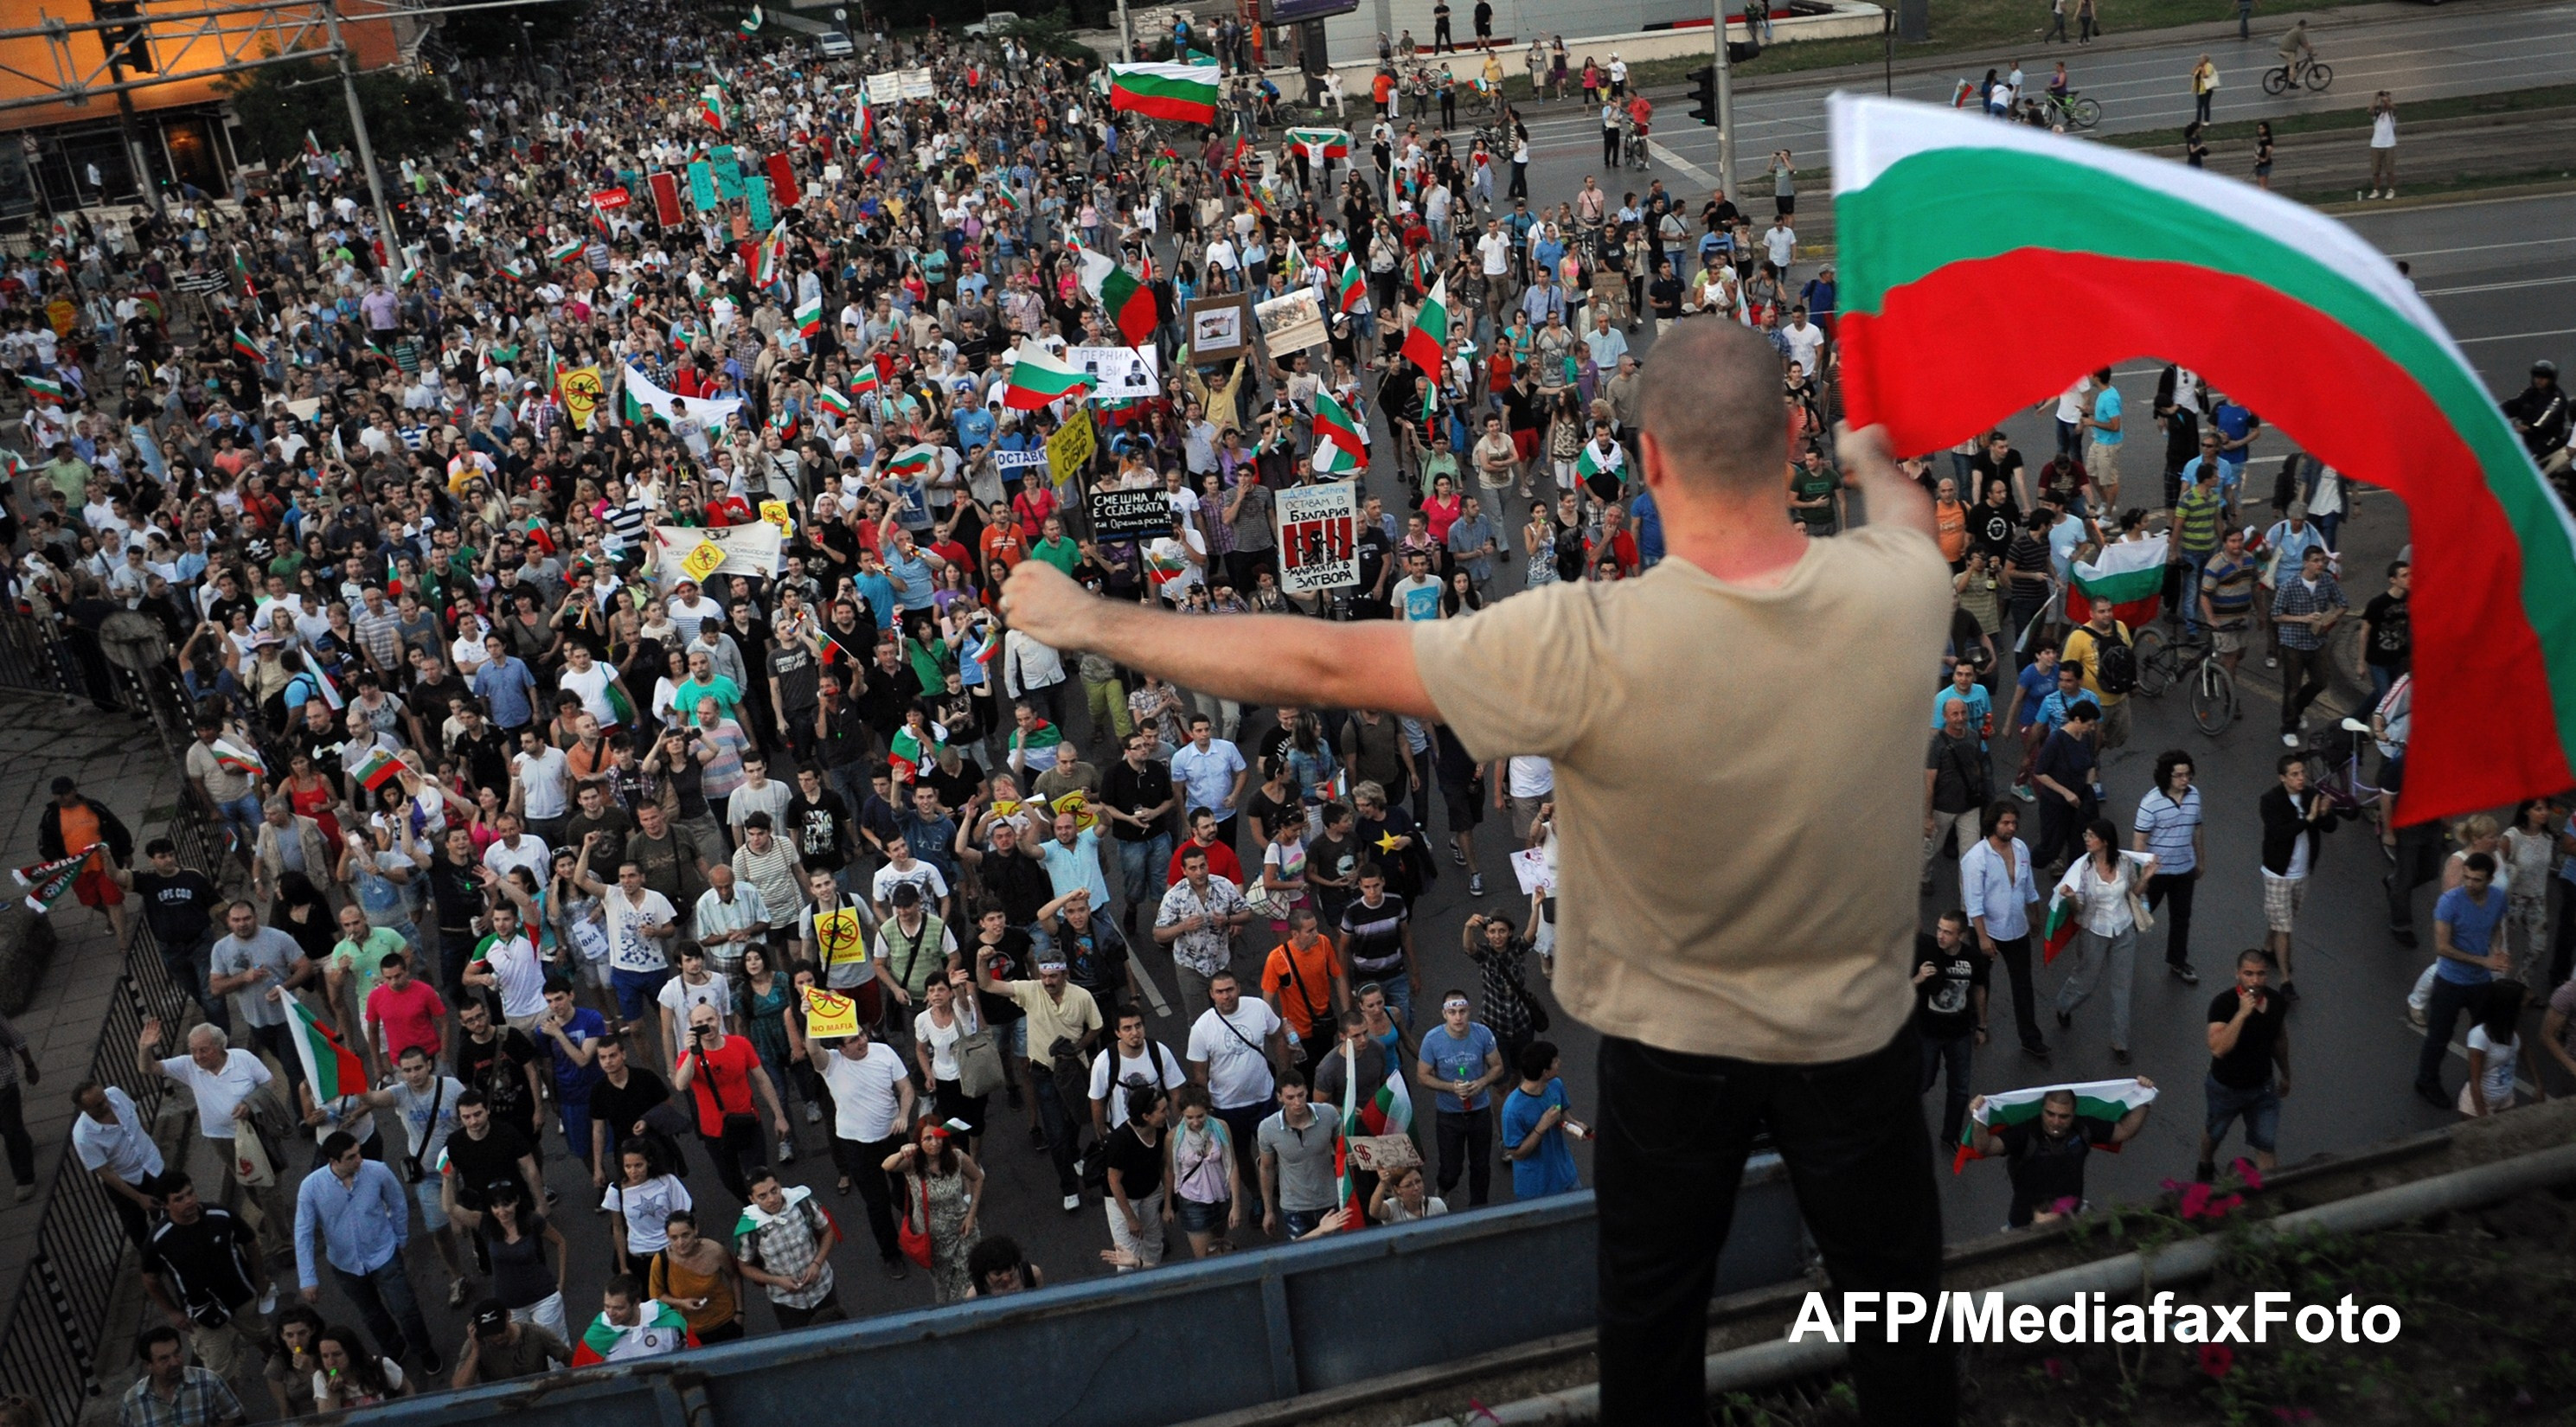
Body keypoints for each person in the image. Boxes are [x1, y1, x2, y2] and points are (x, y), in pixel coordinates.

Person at [998, 320, 1957, 1420]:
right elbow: (1905, 519)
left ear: (1643, 458)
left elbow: (1316, 658)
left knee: (1652, 1332)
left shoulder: (1587, 639)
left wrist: (1088, 618)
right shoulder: (1898, 589)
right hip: (1856, 1046)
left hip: (1672, 1056)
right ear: (1791, 436)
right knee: (1902, 1326)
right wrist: (1873, 457)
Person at [293, 1131, 441, 1376]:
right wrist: (308, 1278)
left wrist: (400, 1238)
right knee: (371, 1315)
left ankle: (424, 1350)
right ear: (334, 1161)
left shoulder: (378, 1171)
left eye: (358, 1153)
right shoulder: (310, 1188)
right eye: (351, 1157)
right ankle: (393, 1348)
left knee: (406, 1308)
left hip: (384, 1254)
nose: (359, 1159)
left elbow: (397, 1203)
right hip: (346, 1266)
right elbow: (303, 1233)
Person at [1963, 1081, 2154, 1229]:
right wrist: (1979, 1118)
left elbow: (2124, 1130)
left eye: (2064, 1116)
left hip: (2071, 1220)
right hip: (2024, 1225)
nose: (2056, 1121)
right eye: (2050, 1114)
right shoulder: (2025, 1134)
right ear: (2042, 1110)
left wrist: (2144, 1100)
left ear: (2073, 1114)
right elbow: (1984, 1147)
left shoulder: (2083, 1129)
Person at [139, 1173, 273, 1381]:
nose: (189, 1201)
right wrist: (173, 1312)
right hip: (202, 1312)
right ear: (165, 1205)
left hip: (242, 1295)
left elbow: (250, 1242)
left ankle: (277, 1367)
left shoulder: (221, 1215)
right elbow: (150, 1279)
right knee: (220, 1371)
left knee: (263, 1335)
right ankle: (234, 1410)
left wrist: (260, 1278)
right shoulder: (158, 1240)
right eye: (179, 1199)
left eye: (190, 1193)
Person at [2049, 820, 2154, 1064]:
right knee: (2085, 982)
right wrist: (2072, 897)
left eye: (2092, 836)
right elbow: (2080, 909)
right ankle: (2064, 1005)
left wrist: (2146, 877)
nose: (2087, 839)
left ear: (2105, 841)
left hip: (2124, 929)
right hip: (2094, 931)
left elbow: (2133, 894)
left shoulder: (2124, 863)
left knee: (2122, 988)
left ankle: (2120, 1043)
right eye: (2086, 835)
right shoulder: (2083, 870)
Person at [817, 1021, 915, 1277]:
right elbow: (812, 1050)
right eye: (853, 1040)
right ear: (841, 1048)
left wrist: (904, 1114)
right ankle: (891, 1254)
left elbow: (905, 1089)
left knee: (905, 1189)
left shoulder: (884, 1051)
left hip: (893, 1137)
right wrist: (810, 1025)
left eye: (861, 1034)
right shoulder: (832, 1063)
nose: (862, 1041)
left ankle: (913, 1231)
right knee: (877, 1203)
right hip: (857, 1145)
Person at [670, 1003, 792, 1202]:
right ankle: (750, 1207)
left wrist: (779, 1116)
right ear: (691, 1026)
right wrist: (692, 1052)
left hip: (748, 1121)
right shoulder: (687, 1057)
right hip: (715, 1131)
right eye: (699, 1023)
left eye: (710, 1019)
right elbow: (681, 1084)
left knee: (759, 1176)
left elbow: (762, 1079)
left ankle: (765, 1210)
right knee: (731, 1179)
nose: (706, 1026)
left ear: (718, 1018)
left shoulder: (740, 1044)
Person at [2417, 853, 2509, 1109]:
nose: (2469, 883)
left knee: (2485, 1034)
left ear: (2490, 879)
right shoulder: (2450, 902)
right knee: (2439, 1035)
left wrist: (2497, 950)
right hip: (2451, 980)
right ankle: (2426, 1080)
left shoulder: (2498, 898)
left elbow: (2496, 927)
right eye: (2466, 877)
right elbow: (2443, 948)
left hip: (2480, 982)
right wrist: (2485, 962)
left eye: (2476, 880)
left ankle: (2478, 1081)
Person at [2200, 949, 2289, 1182]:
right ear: (2237, 974)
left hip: (2263, 1088)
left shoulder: (2277, 1002)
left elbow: (2279, 1039)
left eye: (2260, 974)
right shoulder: (2223, 1004)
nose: (2255, 980)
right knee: (2215, 1132)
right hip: (2226, 1087)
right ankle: (2205, 1164)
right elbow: (2218, 1048)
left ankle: (2269, 1196)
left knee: (2266, 1143)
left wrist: (2286, 1074)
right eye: (2248, 974)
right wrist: (2241, 1015)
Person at [2257, 752, 2340, 999]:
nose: (2301, 778)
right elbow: (2281, 833)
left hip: (2302, 873)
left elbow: (2331, 826)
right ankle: (2285, 980)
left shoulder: (2311, 795)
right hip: (2278, 874)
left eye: (2302, 772)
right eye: (2294, 774)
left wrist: (2324, 814)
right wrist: (2310, 818)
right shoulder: (2270, 801)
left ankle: (2268, 948)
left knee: (2283, 917)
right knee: (2285, 927)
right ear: (2283, 778)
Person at [1415, 989, 1504, 1206]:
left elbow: (1498, 1067)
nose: (1458, 1017)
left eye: (1462, 1011)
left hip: (1479, 1110)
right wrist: (1450, 1087)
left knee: (1481, 1165)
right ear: (1444, 1014)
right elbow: (1422, 1076)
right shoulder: (1433, 1039)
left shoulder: (1482, 1033)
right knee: (1451, 1168)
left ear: (1469, 1012)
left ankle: (1479, 1208)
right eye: (1453, 1012)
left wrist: (1481, 1083)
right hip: (1449, 1114)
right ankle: (1444, 1188)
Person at [734, 1169, 848, 1328]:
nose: (772, 1199)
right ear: (752, 1199)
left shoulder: (803, 1204)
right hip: (788, 1302)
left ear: (780, 1185)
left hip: (822, 1288)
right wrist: (777, 1281)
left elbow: (828, 1231)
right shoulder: (750, 1228)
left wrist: (817, 1264)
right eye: (763, 1196)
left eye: (774, 1190)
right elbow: (744, 1266)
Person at [2133, 751, 2206, 984]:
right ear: (2167, 776)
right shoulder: (2150, 803)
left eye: (2188, 775)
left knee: (2181, 917)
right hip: (2157, 872)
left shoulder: (2194, 796)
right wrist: (2143, 873)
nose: (2185, 780)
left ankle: (2178, 960)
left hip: (2184, 869)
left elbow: (2197, 829)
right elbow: (2139, 841)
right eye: (2179, 775)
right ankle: (2119, 948)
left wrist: (2200, 860)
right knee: (2140, 914)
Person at [1256, 1070, 1342, 1239]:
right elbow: (1266, 1169)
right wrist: (1268, 1211)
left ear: (1306, 1091)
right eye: (1290, 1097)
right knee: (1304, 1258)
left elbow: (1341, 1150)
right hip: (1294, 1207)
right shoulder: (1267, 1128)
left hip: (1329, 1201)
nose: (1297, 1102)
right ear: (1280, 1097)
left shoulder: (1328, 1114)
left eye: (1300, 1095)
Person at [1100, 1081, 1170, 1270]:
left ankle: (1153, 1279)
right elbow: (1114, 1181)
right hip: (1124, 1198)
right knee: (1127, 1253)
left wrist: (1168, 1202)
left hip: (1151, 1191)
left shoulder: (1162, 1129)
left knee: (1154, 1244)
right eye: (1163, 1111)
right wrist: (1131, 1218)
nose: (1168, 1114)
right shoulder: (1121, 1140)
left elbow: (1165, 1164)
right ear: (1146, 1116)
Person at [1500, 1040, 1583, 1199]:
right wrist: (1541, 1127)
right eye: (1555, 1061)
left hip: (1567, 1177)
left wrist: (1576, 1125)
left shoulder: (1555, 1085)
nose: (1560, 1063)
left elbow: (1563, 1112)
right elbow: (1516, 1153)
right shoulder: (1512, 1110)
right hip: (1537, 1189)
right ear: (1545, 1072)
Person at [118, 1325, 247, 1427]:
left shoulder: (209, 1381)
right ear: (149, 1365)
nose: (174, 1362)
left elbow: (237, 1417)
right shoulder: (133, 1400)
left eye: (177, 1353)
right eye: (164, 1359)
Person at [647, 1210, 745, 1343]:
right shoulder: (661, 1261)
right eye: (674, 1238)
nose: (680, 1242)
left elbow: (734, 1277)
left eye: (685, 1235)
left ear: (695, 1230)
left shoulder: (715, 1251)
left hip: (725, 1321)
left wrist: (740, 1313)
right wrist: (681, 1303)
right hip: (689, 1330)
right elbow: (657, 1295)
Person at [449, 1298, 573, 1387]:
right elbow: (459, 1387)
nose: (497, 1337)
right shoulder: (475, 1344)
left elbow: (569, 1359)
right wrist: (475, 1352)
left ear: (508, 1315)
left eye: (500, 1330)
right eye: (490, 1333)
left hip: (539, 1397)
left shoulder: (536, 1334)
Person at [574, 1275, 698, 1363]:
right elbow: (582, 1377)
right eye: (607, 1306)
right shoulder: (597, 1334)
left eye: (619, 1308)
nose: (610, 1313)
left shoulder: (670, 1324)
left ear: (636, 1303)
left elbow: (694, 1359)